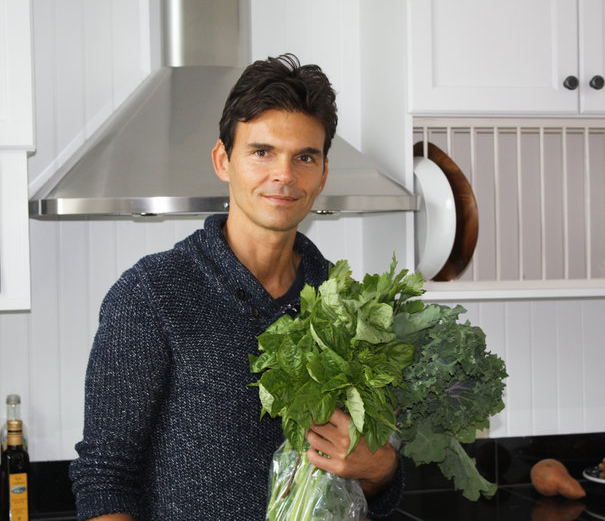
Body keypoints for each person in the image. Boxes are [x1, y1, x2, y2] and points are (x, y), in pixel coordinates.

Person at [69, 53, 406, 520]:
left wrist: (380, 466)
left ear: (323, 174)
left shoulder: (346, 304)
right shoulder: (152, 295)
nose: (284, 175)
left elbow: (375, 484)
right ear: (223, 160)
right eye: (262, 152)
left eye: (304, 157)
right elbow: (104, 480)